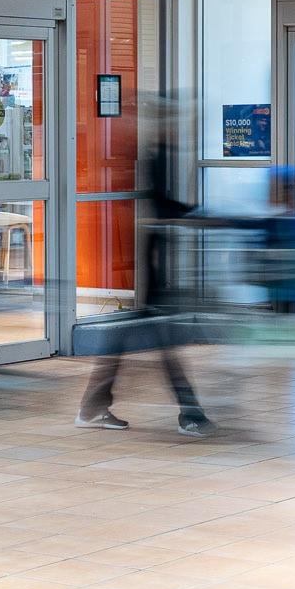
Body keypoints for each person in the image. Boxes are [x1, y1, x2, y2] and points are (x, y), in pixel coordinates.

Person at [77, 122, 212, 436]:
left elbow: (156, 204)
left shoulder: (154, 156)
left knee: (127, 338)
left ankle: (92, 406)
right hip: (141, 269)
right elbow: (156, 206)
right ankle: (190, 413)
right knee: (163, 343)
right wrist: (195, 214)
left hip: (143, 268)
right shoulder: (148, 158)